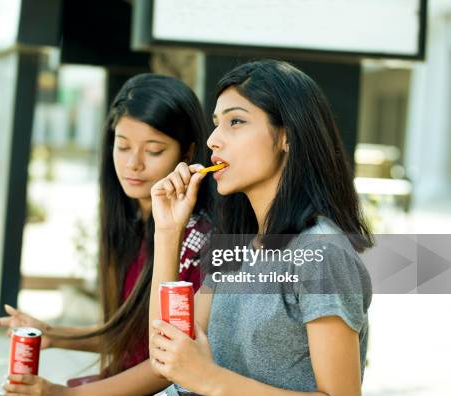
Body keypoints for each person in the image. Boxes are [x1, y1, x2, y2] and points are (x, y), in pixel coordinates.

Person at [148, 60, 373, 396]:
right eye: (216, 124)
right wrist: (166, 232)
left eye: (235, 122)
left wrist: (208, 379)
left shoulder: (321, 253)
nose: (213, 140)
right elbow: (168, 350)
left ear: (287, 137)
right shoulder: (236, 248)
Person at [0, 73, 214, 396]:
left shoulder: (201, 239)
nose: (132, 164)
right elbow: (131, 331)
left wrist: (63, 395)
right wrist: (52, 334)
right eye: (122, 146)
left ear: (188, 154)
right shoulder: (133, 220)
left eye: (153, 150)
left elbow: (167, 365)